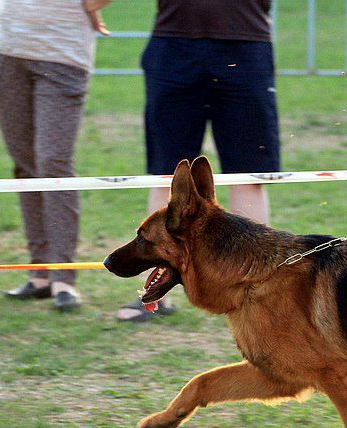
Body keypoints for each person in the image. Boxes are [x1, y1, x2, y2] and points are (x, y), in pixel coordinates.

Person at [116, 0, 280, 322]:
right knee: (167, 174)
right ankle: (154, 296)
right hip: (173, 46)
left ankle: (259, 295)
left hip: (245, 45)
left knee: (249, 176)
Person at [0, 0, 110, 311]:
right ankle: (40, 273)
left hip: (64, 54)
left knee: (53, 163)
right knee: (25, 167)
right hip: (9, 49)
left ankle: (64, 277)